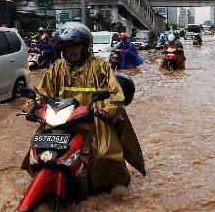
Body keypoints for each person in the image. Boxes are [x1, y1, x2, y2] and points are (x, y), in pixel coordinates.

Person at [25, 22, 145, 191]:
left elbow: (115, 93)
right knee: (36, 148)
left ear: (85, 46)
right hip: (60, 119)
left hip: (92, 119)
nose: (71, 50)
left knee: (105, 152)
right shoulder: (57, 67)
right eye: (67, 46)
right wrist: (32, 106)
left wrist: (106, 111)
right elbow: (42, 91)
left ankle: (106, 186)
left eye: (76, 45)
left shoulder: (100, 66)